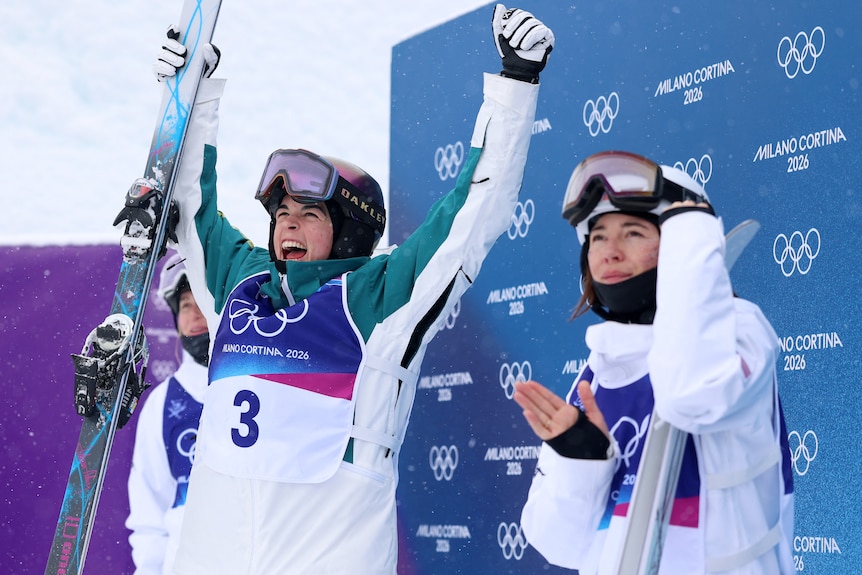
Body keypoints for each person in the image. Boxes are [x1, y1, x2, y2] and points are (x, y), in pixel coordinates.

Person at [151, 5, 554, 573]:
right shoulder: (242, 283)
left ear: (350, 233)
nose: (287, 224)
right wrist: (191, 96)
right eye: (281, 211)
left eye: (309, 213)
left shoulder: (379, 300)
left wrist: (514, 88)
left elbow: (471, 216)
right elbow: (190, 205)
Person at [514, 150, 794, 574]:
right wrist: (582, 459)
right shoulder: (598, 370)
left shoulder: (738, 330)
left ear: (681, 243)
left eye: (633, 233)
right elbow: (559, 544)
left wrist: (695, 239)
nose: (609, 252)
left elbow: (692, 396)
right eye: (598, 237)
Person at [126, 252, 210, 575]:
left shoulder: (259, 384)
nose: (195, 314)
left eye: (201, 301)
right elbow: (149, 513)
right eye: (186, 305)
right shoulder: (161, 403)